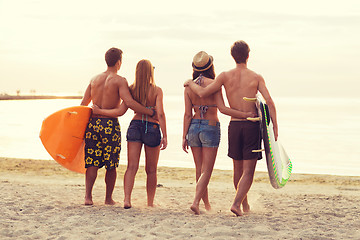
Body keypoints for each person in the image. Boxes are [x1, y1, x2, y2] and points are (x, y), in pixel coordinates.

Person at [184, 41, 278, 216]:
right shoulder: (256, 77)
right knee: (248, 171)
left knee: (237, 169)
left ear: (232, 56)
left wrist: (190, 82)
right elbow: (270, 102)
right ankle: (236, 204)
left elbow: (202, 93)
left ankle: (245, 204)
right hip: (251, 125)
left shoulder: (224, 76)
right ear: (248, 55)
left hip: (234, 125)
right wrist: (275, 127)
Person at [80, 48, 155, 206]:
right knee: (111, 164)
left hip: (93, 124)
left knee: (92, 162)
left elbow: (83, 105)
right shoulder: (120, 80)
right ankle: (108, 198)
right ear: (119, 62)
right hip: (109, 125)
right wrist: (149, 111)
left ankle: (88, 197)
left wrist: (95, 114)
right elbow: (126, 105)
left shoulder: (94, 79)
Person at [92, 59, 167, 208]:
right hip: (151, 128)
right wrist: (164, 134)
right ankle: (150, 203)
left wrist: (99, 111)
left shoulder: (131, 89)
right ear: (151, 72)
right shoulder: (157, 90)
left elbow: (122, 110)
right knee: (151, 170)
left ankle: (127, 199)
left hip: (135, 125)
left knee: (131, 167)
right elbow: (161, 114)